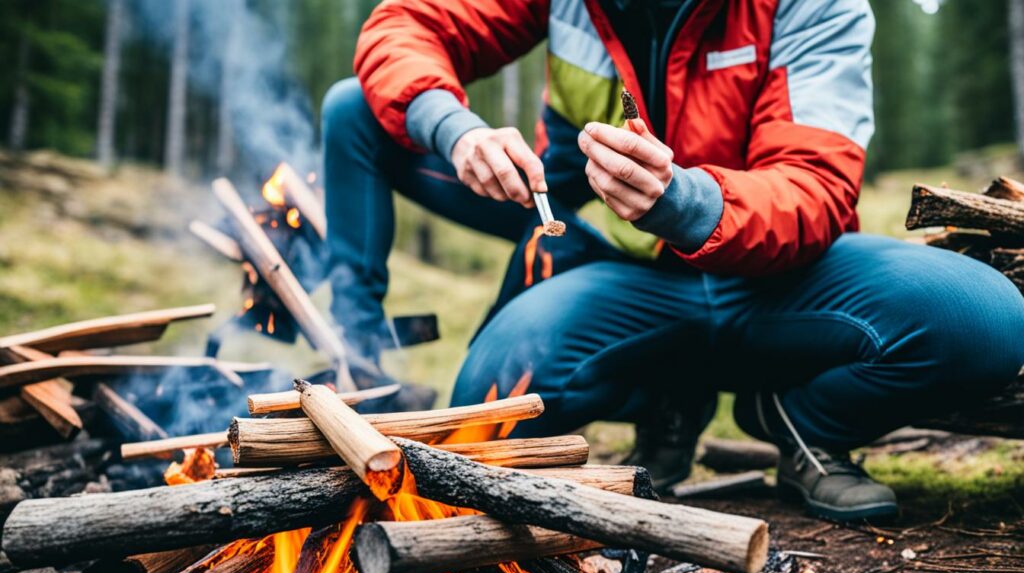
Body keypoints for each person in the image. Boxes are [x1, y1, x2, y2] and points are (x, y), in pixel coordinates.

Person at [322, 0, 1024, 521]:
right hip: (620, 274)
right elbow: (408, 26)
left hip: (780, 278)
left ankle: (803, 420)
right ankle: (366, 371)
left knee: (986, 318)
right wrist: (454, 128)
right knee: (486, 412)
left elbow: (813, 188)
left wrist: (683, 199)